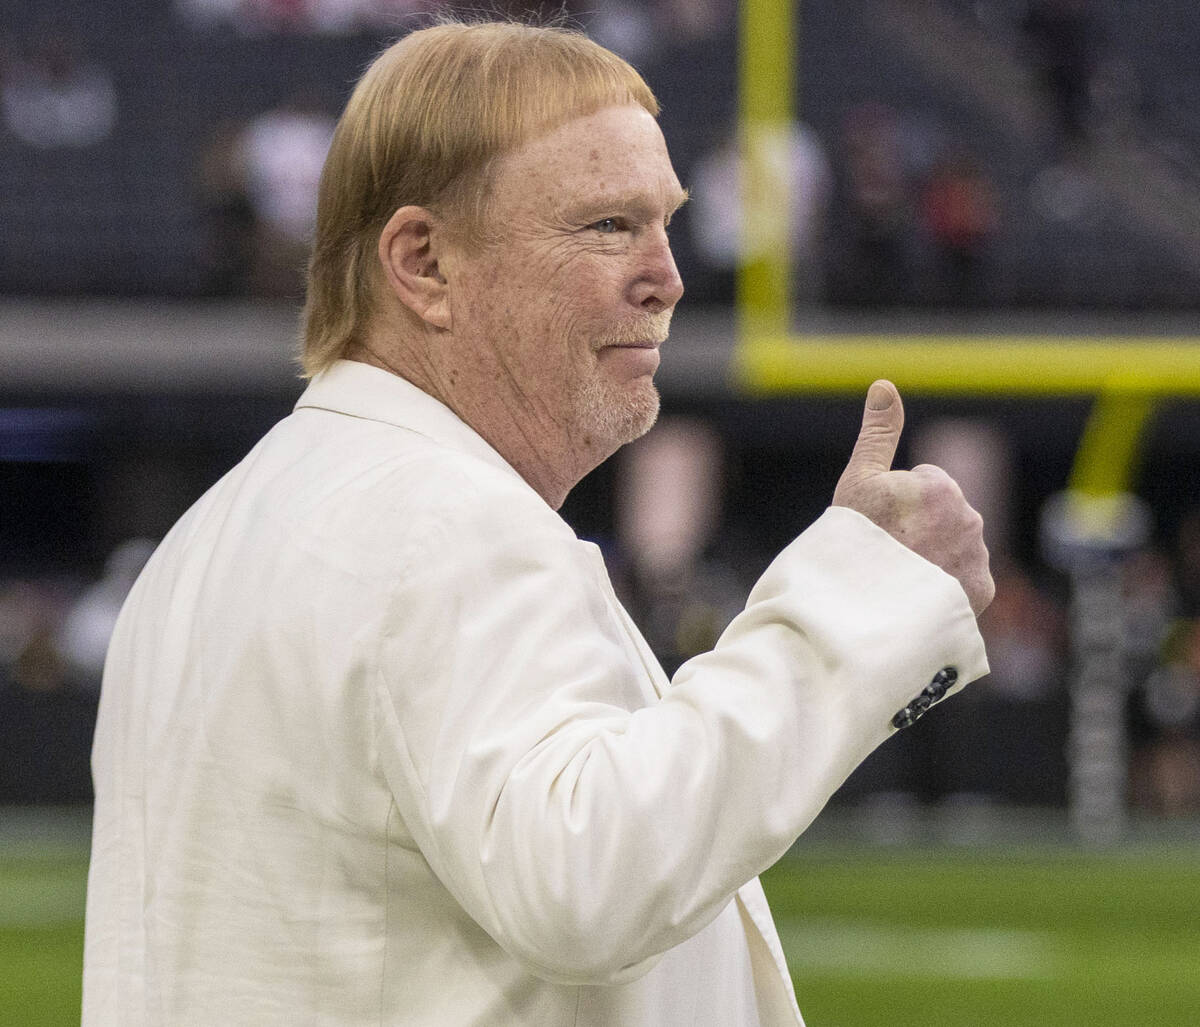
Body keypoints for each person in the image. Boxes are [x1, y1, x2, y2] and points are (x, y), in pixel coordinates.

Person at [82, 19, 992, 1026]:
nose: (668, 275)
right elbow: (587, 879)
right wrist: (859, 602)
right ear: (423, 263)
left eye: (667, 222)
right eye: (608, 225)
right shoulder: (443, 519)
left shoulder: (207, 542)